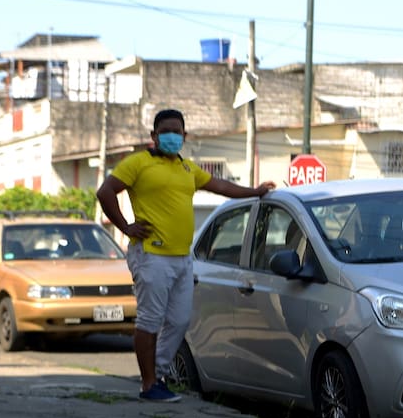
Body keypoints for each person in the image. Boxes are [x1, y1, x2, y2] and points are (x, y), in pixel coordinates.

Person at [96, 108, 275, 403]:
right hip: (151, 255)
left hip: (182, 257)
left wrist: (255, 192)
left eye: (176, 132)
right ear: (154, 136)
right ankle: (148, 384)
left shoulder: (187, 169)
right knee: (150, 320)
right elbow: (106, 192)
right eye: (165, 131)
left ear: (185, 136)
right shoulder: (138, 163)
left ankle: (158, 375)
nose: (171, 136)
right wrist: (125, 226)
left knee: (179, 320)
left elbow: (221, 186)